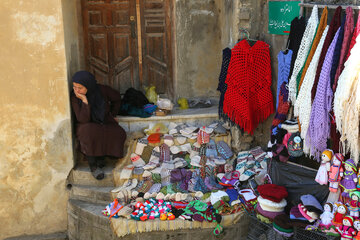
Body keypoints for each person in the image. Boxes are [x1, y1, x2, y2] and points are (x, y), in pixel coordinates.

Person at [71, 71, 126, 180]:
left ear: (89, 85)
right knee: (89, 132)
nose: (76, 90)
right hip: (85, 124)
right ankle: (93, 166)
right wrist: (84, 100)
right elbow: (83, 119)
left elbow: (116, 98)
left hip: (104, 120)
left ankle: (102, 157)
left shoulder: (101, 90)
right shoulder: (75, 97)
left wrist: (113, 114)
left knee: (118, 132)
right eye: (74, 86)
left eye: (80, 87)